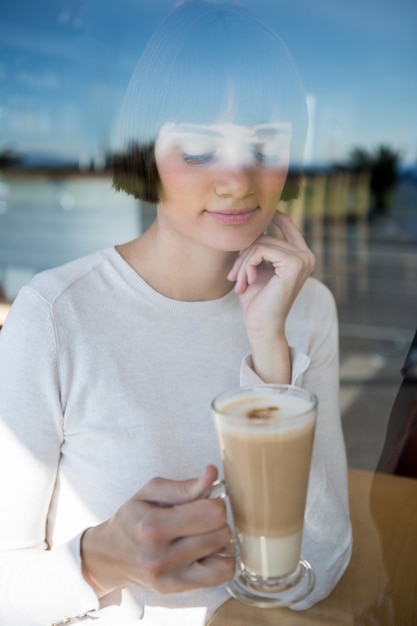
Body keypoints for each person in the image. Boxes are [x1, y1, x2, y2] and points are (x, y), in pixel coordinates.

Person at [0, 2, 352, 625]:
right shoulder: (54, 316)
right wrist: (98, 561)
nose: (238, 181)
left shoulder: (307, 310)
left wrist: (270, 352)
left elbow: (322, 556)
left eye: (265, 146)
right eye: (197, 150)